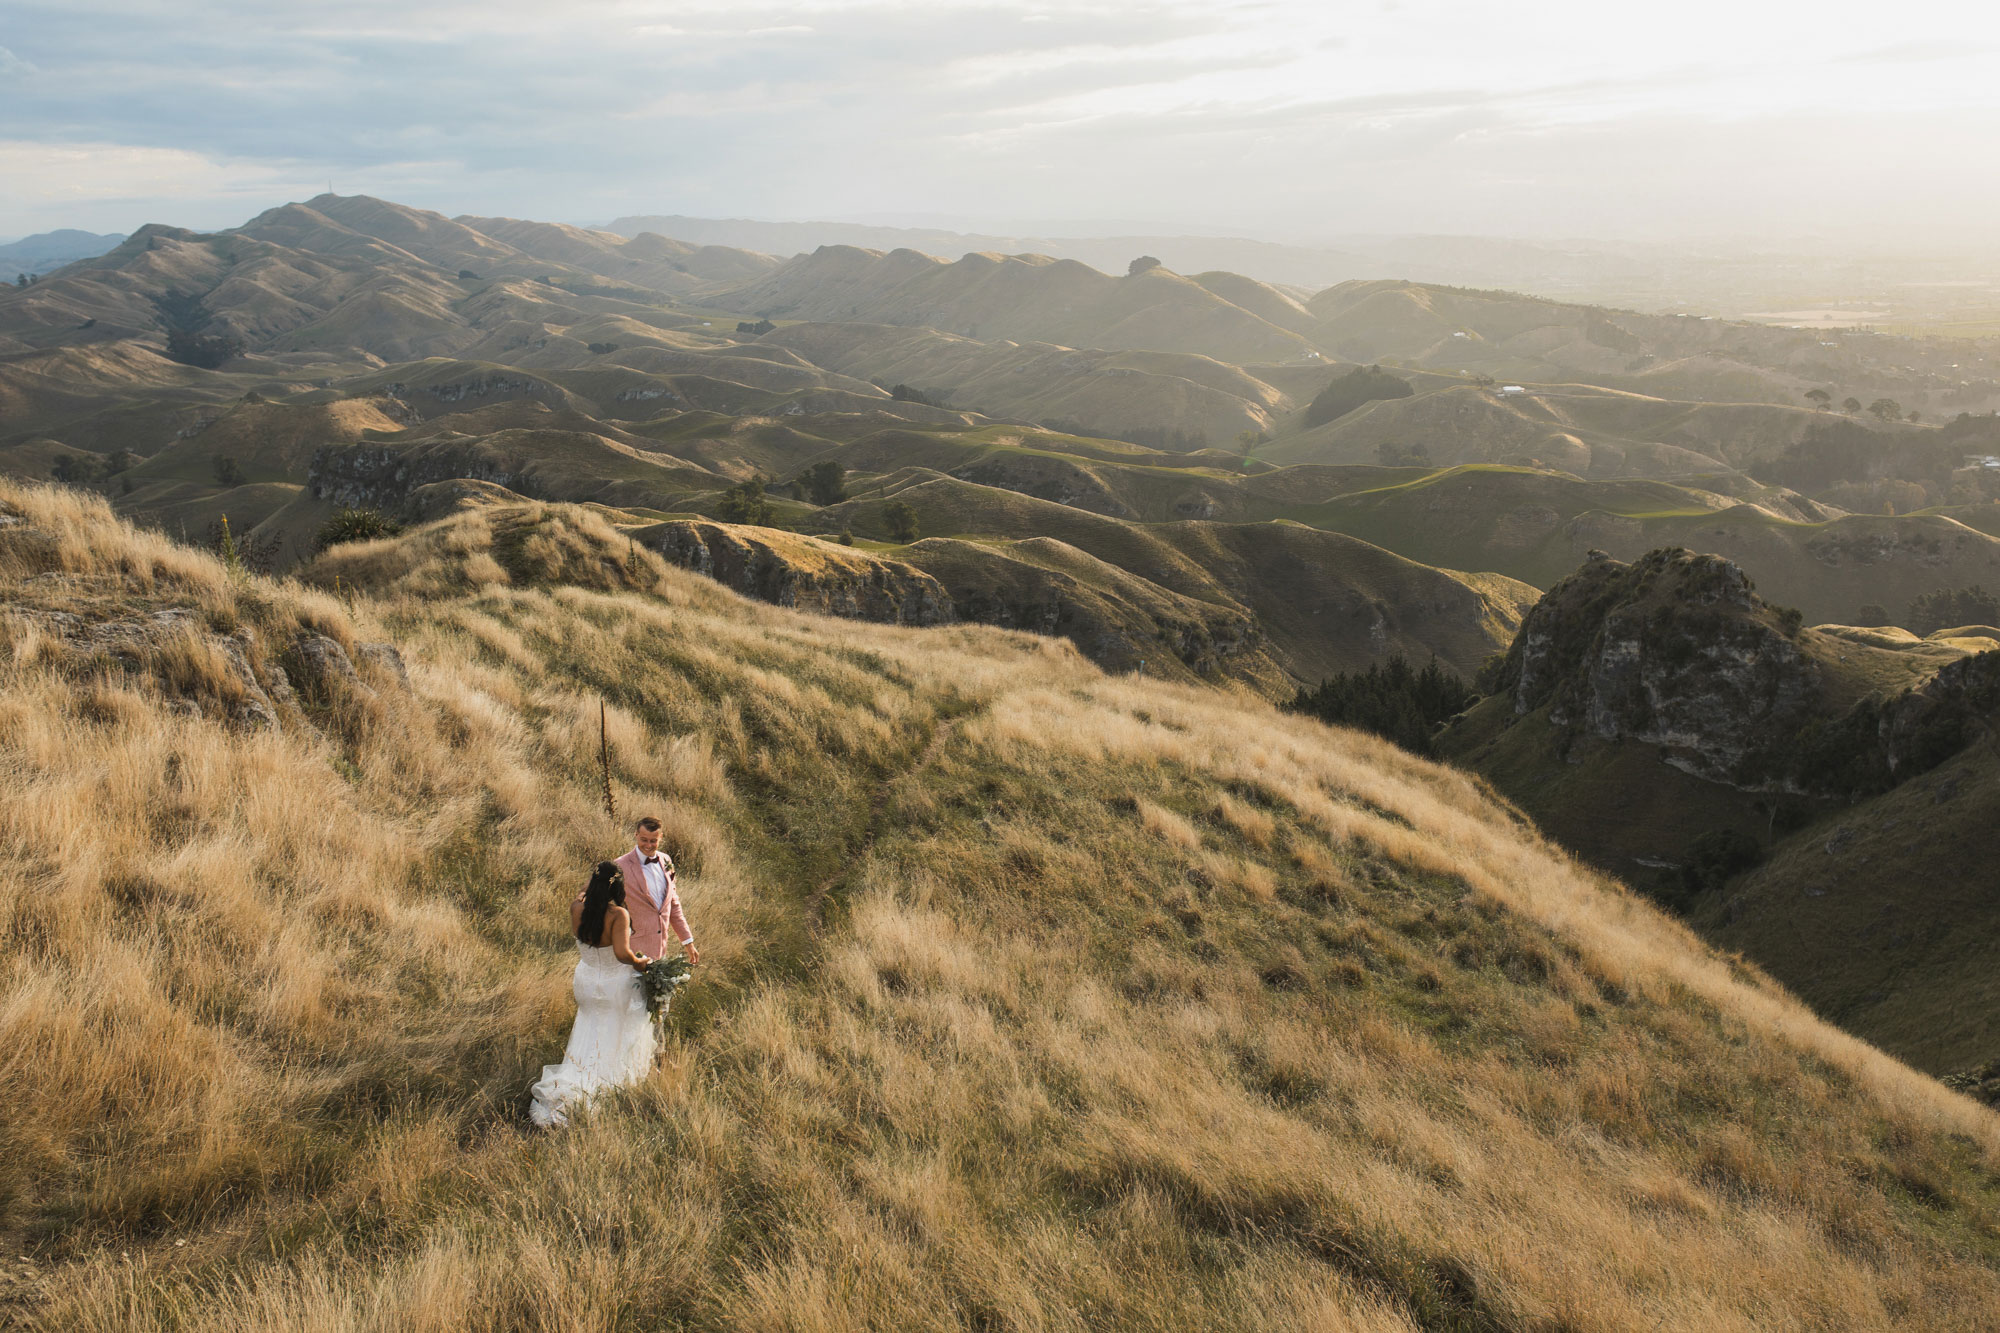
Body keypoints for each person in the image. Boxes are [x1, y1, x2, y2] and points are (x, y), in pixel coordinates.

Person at [528, 860, 657, 1128]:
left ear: (592, 883)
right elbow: (622, 955)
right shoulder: (618, 914)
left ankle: (578, 1071)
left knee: (589, 1025)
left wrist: (583, 892)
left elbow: (583, 896)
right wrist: (643, 962)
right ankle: (608, 1079)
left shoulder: (577, 907)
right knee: (614, 1028)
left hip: (586, 979)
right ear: (618, 886)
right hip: (613, 983)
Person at [612, 816, 700, 969]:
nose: (648, 845)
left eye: (653, 841)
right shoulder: (620, 865)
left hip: (660, 949)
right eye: (644, 840)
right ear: (636, 835)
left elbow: (673, 905)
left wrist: (688, 942)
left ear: (661, 837)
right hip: (631, 951)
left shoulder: (666, 861)